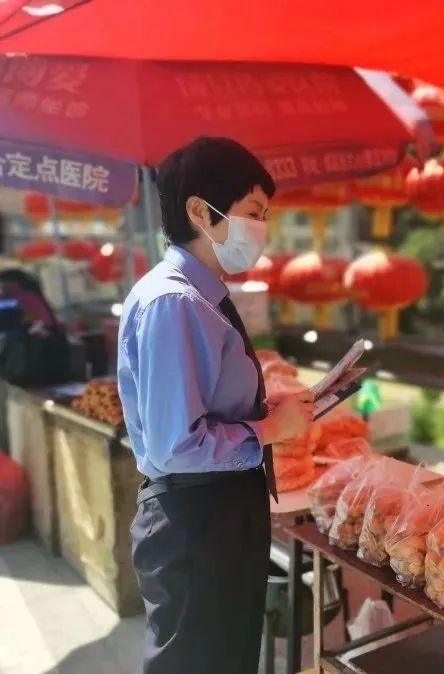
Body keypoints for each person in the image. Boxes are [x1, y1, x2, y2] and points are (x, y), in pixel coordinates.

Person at [117, 137, 315, 673]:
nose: (261, 229)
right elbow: (176, 445)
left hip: (218, 511)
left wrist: (260, 407)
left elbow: (204, 404)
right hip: (196, 518)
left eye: (265, 216)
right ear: (200, 212)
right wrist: (267, 430)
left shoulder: (202, 295)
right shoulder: (176, 302)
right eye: (253, 212)